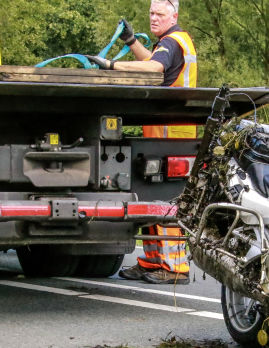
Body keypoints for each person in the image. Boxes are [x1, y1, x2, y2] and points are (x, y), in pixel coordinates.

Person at [85, 0, 195, 285]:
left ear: (174, 15)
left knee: (166, 201)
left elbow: (155, 68)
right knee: (149, 197)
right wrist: (132, 41)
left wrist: (112, 65)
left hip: (169, 132)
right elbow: (153, 61)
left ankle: (174, 269)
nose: (153, 18)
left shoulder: (172, 42)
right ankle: (151, 262)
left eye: (159, 14)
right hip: (167, 131)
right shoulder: (174, 42)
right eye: (151, 13)